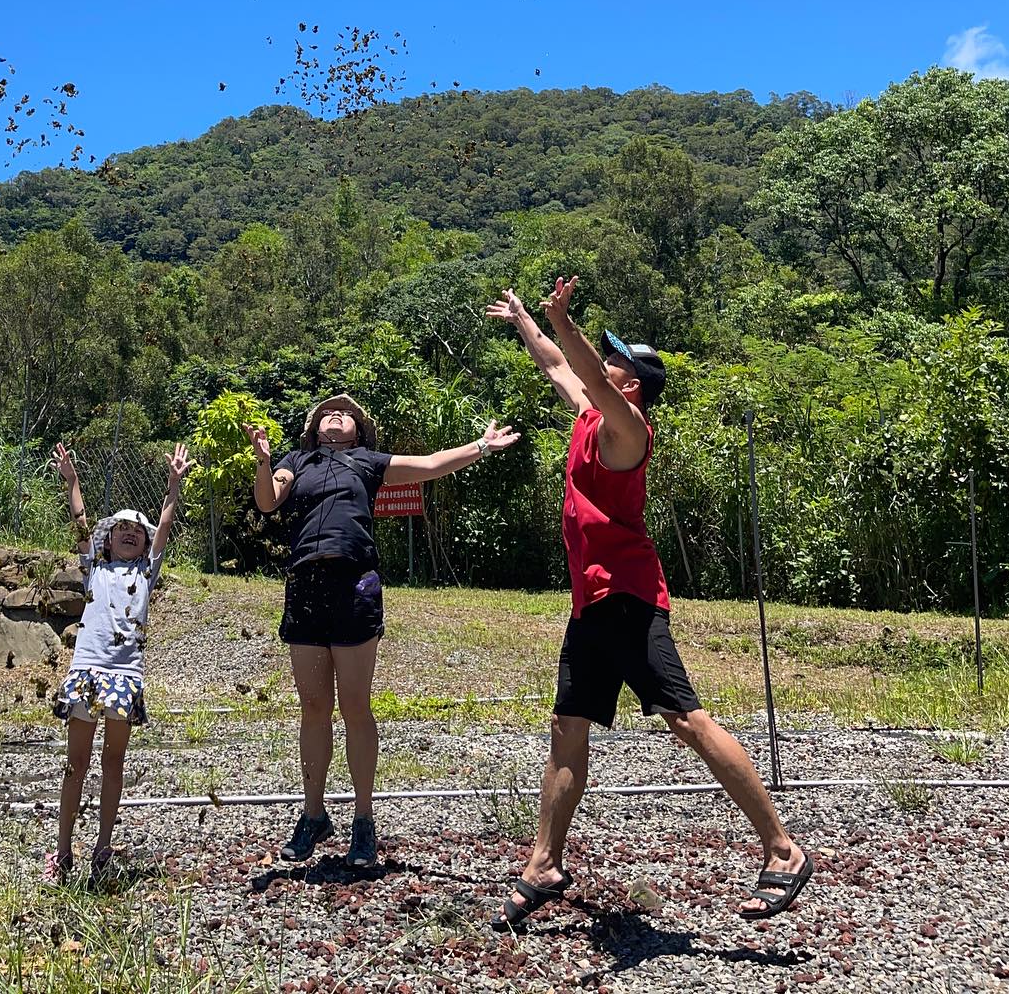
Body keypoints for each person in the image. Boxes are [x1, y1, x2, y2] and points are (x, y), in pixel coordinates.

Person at [486, 279, 812, 929]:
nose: (600, 366)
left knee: (687, 721)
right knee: (567, 727)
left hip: (629, 599)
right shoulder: (591, 415)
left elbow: (580, 366)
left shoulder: (628, 431)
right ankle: (544, 864)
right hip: (591, 605)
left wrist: (566, 321)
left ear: (630, 384)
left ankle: (783, 849)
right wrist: (526, 318)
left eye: (613, 362)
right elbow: (558, 365)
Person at [249, 395, 520, 870]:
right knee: (313, 708)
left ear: (358, 430)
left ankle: (363, 819)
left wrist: (481, 445)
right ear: (315, 428)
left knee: (355, 707)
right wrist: (263, 461)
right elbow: (268, 500)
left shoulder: (369, 462)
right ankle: (313, 815)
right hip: (305, 586)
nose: (336, 415)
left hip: (355, 585)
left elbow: (431, 464)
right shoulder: (295, 461)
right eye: (327, 413)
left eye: (346, 414)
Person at [46, 440, 191, 885]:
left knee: (114, 762)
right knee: (76, 763)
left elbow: (165, 523)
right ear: (107, 539)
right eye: (121, 528)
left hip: (125, 675)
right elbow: (79, 522)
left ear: (145, 543)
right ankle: (63, 850)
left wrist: (173, 484)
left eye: (137, 530)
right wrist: (72, 481)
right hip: (87, 671)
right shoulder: (94, 568)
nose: (130, 533)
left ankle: (103, 846)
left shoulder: (147, 571)